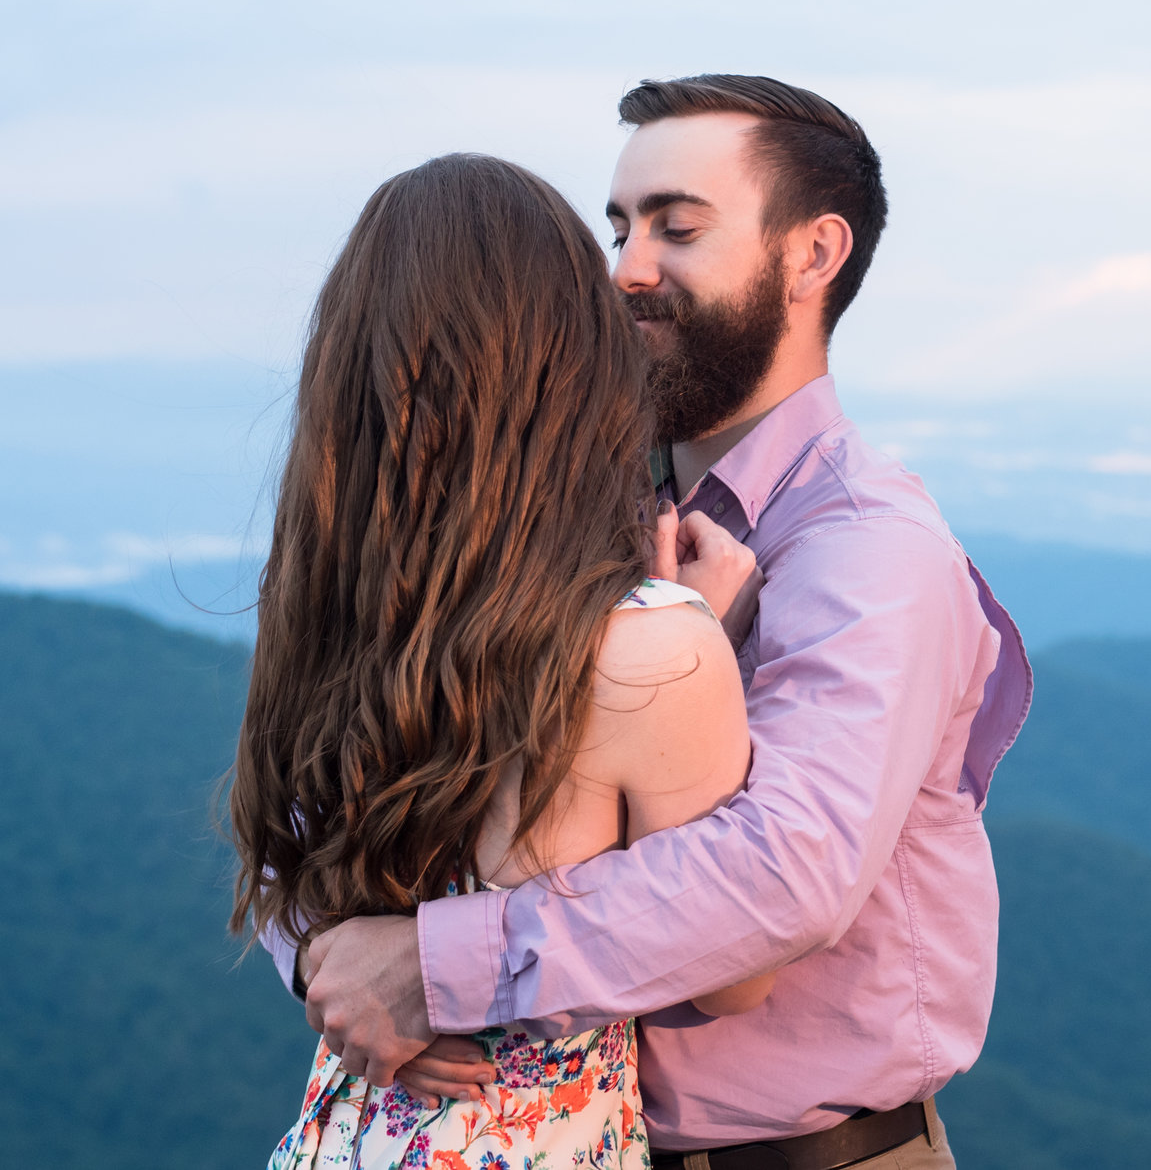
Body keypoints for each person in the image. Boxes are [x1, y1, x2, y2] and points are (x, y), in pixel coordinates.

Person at [290, 76, 1033, 1170]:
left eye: (677, 227)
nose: (627, 266)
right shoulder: (545, 508)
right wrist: (322, 950)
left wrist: (433, 962)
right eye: (619, 226)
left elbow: (783, 874)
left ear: (811, 256)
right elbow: (336, 741)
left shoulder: (869, 550)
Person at [228, 152, 768, 1168]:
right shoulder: (651, 644)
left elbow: (283, 877)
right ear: (574, 371)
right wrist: (702, 640)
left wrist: (322, 972)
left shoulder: (319, 610)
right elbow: (731, 973)